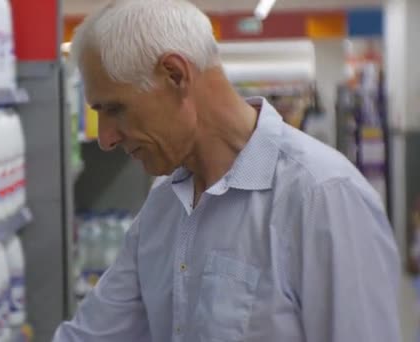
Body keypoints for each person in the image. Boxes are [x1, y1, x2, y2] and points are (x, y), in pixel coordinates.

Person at [54, 0, 401, 341]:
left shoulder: (322, 196)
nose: (106, 139)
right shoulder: (163, 206)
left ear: (175, 75)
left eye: (115, 109)